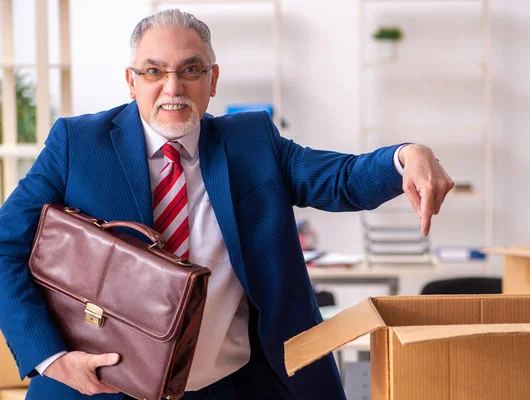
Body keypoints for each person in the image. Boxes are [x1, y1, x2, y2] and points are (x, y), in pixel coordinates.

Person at [0, 9, 453, 400]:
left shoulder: (251, 142)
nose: (172, 86)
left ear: (212, 80)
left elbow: (341, 179)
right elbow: (5, 247)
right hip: (102, 386)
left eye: (190, 69)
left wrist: (405, 157)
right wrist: (52, 358)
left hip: (235, 386)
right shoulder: (79, 145)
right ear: (131, 82)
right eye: (154, 71)